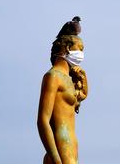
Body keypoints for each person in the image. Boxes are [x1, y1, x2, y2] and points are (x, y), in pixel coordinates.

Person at [37, 17, 88, 164]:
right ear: (67, 48)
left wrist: (83, 79)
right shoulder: (53, 76)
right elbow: (43, 120)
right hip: (60, 147)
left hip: (71, 147)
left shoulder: (68, 79)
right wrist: (55, 158)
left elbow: (80, 97)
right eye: (80, 49)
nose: (81, 54)